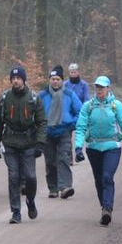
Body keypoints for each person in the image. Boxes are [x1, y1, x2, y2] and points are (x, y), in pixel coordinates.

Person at [74, 76, 122, 226]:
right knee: (99, 180)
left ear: (108, 88)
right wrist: (78, 147)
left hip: (112, 147)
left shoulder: (116, 106)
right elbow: (80, 128)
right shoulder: (88, 106)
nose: (99, 89)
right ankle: (104, 208)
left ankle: (107, 208)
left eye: (102, 87)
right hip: (93, 148)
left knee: (106, 177)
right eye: (97, 87)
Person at [0, 66, 46, 224]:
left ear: (24, 80)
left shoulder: (33, 98)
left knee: (30, 177)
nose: (15, 81)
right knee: (14, 176)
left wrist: (40, 143)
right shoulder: (4, 98)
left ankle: (30, 200)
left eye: (18, 78)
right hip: (10, 142)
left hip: (29, 143)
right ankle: (15, 211)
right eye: (13, 78)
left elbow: (42, 122)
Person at [40, 67, 81, 200]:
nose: (55, 82)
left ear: (62, 80)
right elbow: (36, 113)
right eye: (53, 79)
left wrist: (71, 124)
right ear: (49, 80)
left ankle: (65, 187)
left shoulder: (69, 94)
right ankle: (53, 188)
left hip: (64, 130)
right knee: (50, 161)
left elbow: (80, 112)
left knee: (64, 158)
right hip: (48, 132)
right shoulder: (43, 95)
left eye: (58, 79)